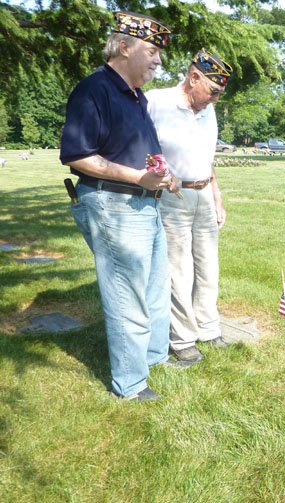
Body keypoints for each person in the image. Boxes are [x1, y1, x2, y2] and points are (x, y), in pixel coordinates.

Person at [60, 11, 182, 401]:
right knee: (126, 293)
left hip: (147, 203)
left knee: (154, 288)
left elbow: (144, 154)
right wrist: (138, 180)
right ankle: (129, 384)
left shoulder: (136, 96)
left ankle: (152, 358)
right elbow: (77, 155)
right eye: (152, 51)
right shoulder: (93, 89)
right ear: (124, 47)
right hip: (114, 206)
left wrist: (166, 175)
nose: (159, 60)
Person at [146, 49, 233, 366]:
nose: (215, 100)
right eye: (213, 91)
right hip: (173, 196)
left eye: (219, 94)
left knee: (209, 268)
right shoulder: (156, 102)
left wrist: (217, 194)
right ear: (193, 76)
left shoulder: (207, 111)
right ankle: (182, 340)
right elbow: (138, 146)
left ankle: (209, 329)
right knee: (179, 271)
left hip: (204, 195)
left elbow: (206, 159)